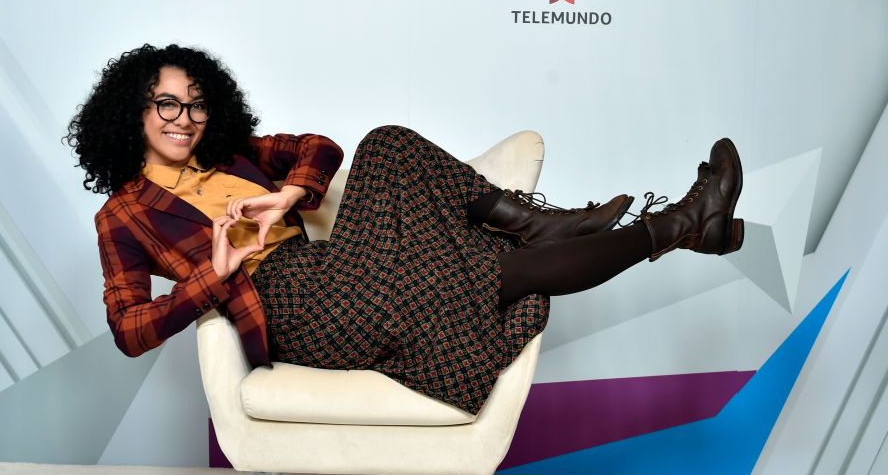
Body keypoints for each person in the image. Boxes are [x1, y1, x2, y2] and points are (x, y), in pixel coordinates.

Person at [70, 43, 743, 416]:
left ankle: (681, 226)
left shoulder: (235, 152)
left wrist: (286, 198)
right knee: (416, 181)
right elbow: (130, 330)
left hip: (336, 271)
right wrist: (212, 277)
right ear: (134, 112)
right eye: (166, 104)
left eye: (194, 104)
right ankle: (629, 226)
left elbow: (321, 149)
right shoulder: (123, 217)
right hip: (293, 310)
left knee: (408, 173)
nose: (184, 118)